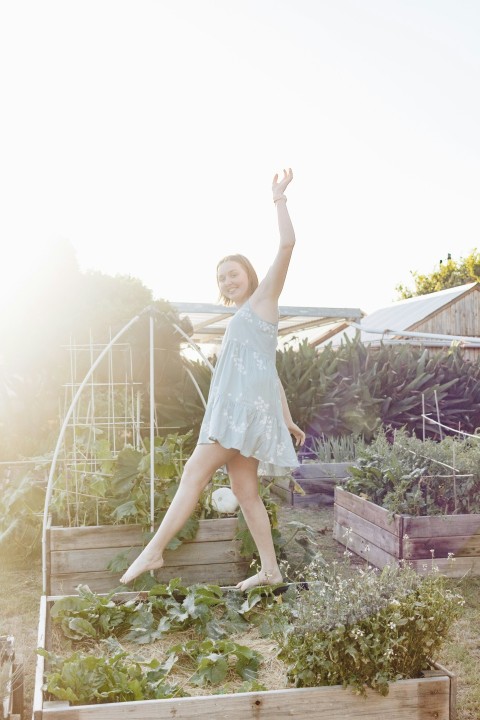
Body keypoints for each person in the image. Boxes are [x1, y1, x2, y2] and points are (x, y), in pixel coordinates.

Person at [120, 168, 305, 590]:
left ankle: (154, 550)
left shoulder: (265, 299)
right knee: (245, 492)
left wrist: (279, 199)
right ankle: (271, 571)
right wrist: (287, 418)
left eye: (233, 272)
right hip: (245, 410)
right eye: (222, 277)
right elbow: (269, 373)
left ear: (250, 275)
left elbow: (288, 244)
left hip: (239, 413)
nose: (227, 280)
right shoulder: (242, 316)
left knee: (193, 473)